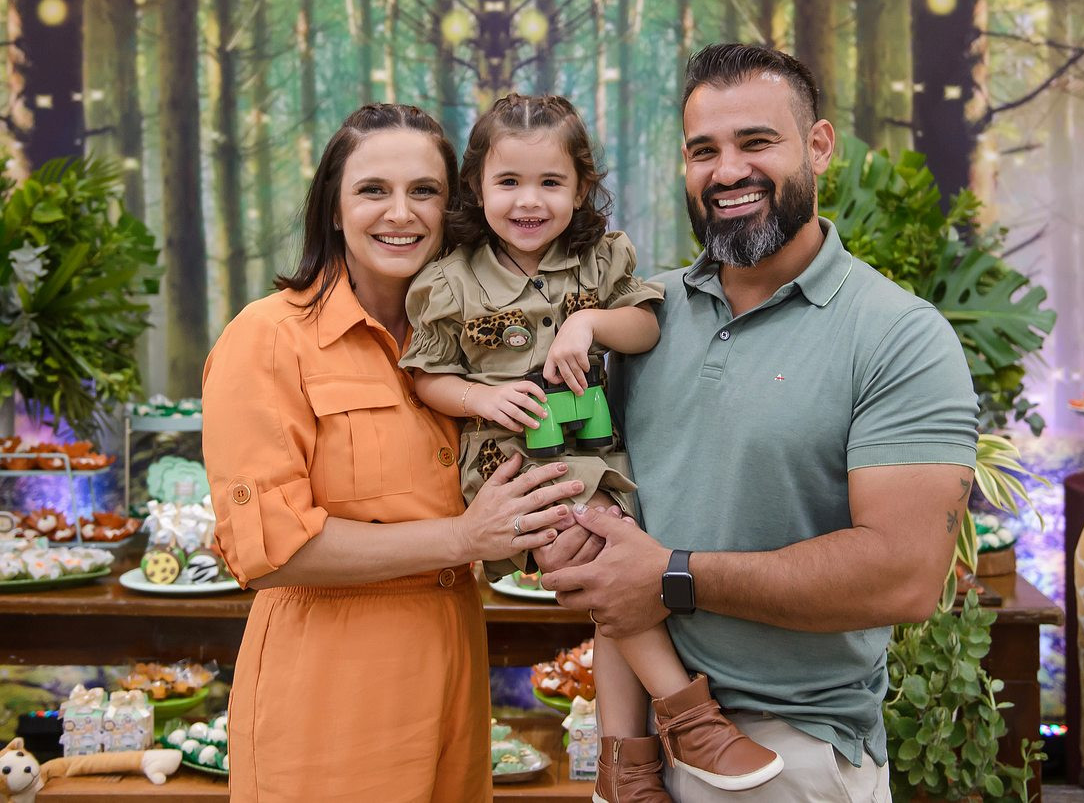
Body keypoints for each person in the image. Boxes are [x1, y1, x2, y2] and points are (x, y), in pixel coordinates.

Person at [538, 44, 980, 801]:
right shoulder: (641, 317)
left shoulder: (897, 335)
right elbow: (589, 484)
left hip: (790, 752)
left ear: (819, 146)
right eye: (703, 150)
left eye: (756, 142)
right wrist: (563, 532)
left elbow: (904, 576)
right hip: (637, 746)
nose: (728, 171)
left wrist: (672, 577)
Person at [403, 92, 782, 801]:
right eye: (508, 182)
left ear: (580, 190)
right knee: (607, 572)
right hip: (511, 467)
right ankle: (689, 720)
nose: (529, 201)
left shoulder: (599, 259)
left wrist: (590, 326)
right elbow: (427, 376)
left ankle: (623, 766)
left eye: (551, 182)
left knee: (616, 583)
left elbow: (645, 327)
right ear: (477, 187)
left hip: (594, 454)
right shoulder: (450, 280)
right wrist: (481, 399)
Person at [202, 103, 580, 803]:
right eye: (373, 190)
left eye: (424, 191)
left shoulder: (478, 341)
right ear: (333, 208)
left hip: (453, 669)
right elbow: (268, 552)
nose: (400, 214)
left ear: (453, 208)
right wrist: (463, 538)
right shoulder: (269, 338)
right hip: (330, 691)